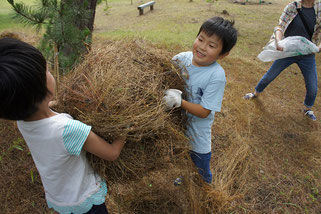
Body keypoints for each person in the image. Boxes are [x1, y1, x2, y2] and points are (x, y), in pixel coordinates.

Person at [0, 38, 126, 214]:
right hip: (84, 200)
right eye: (47, 71)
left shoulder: (21, 120)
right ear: (43, 90)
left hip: (59, 196)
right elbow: (112, 153)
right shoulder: (69, 130)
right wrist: (127, 126)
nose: (50, 72)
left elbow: (45, 108)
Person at [162, 17, 238, 184]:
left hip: (198, 135)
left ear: (223, 54)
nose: (202, 47)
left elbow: (204, 112)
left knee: (200, 167)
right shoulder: (182, 59)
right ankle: (184, 177)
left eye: (211, 46)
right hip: (178, 126)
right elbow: (163, 73)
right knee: (181, 156)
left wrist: (179, 102)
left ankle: (205, 188)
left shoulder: (216, 76)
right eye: (200, 39)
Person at [244, 0, 321, 121]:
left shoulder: (319, 7)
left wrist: (319, 47)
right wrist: (278, 42)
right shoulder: (292, 6)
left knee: (312, 87)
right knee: (269, 76)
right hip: (287, 51)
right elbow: (280, 27)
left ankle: (308, 109)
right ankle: (255, 93)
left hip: (307, 54)